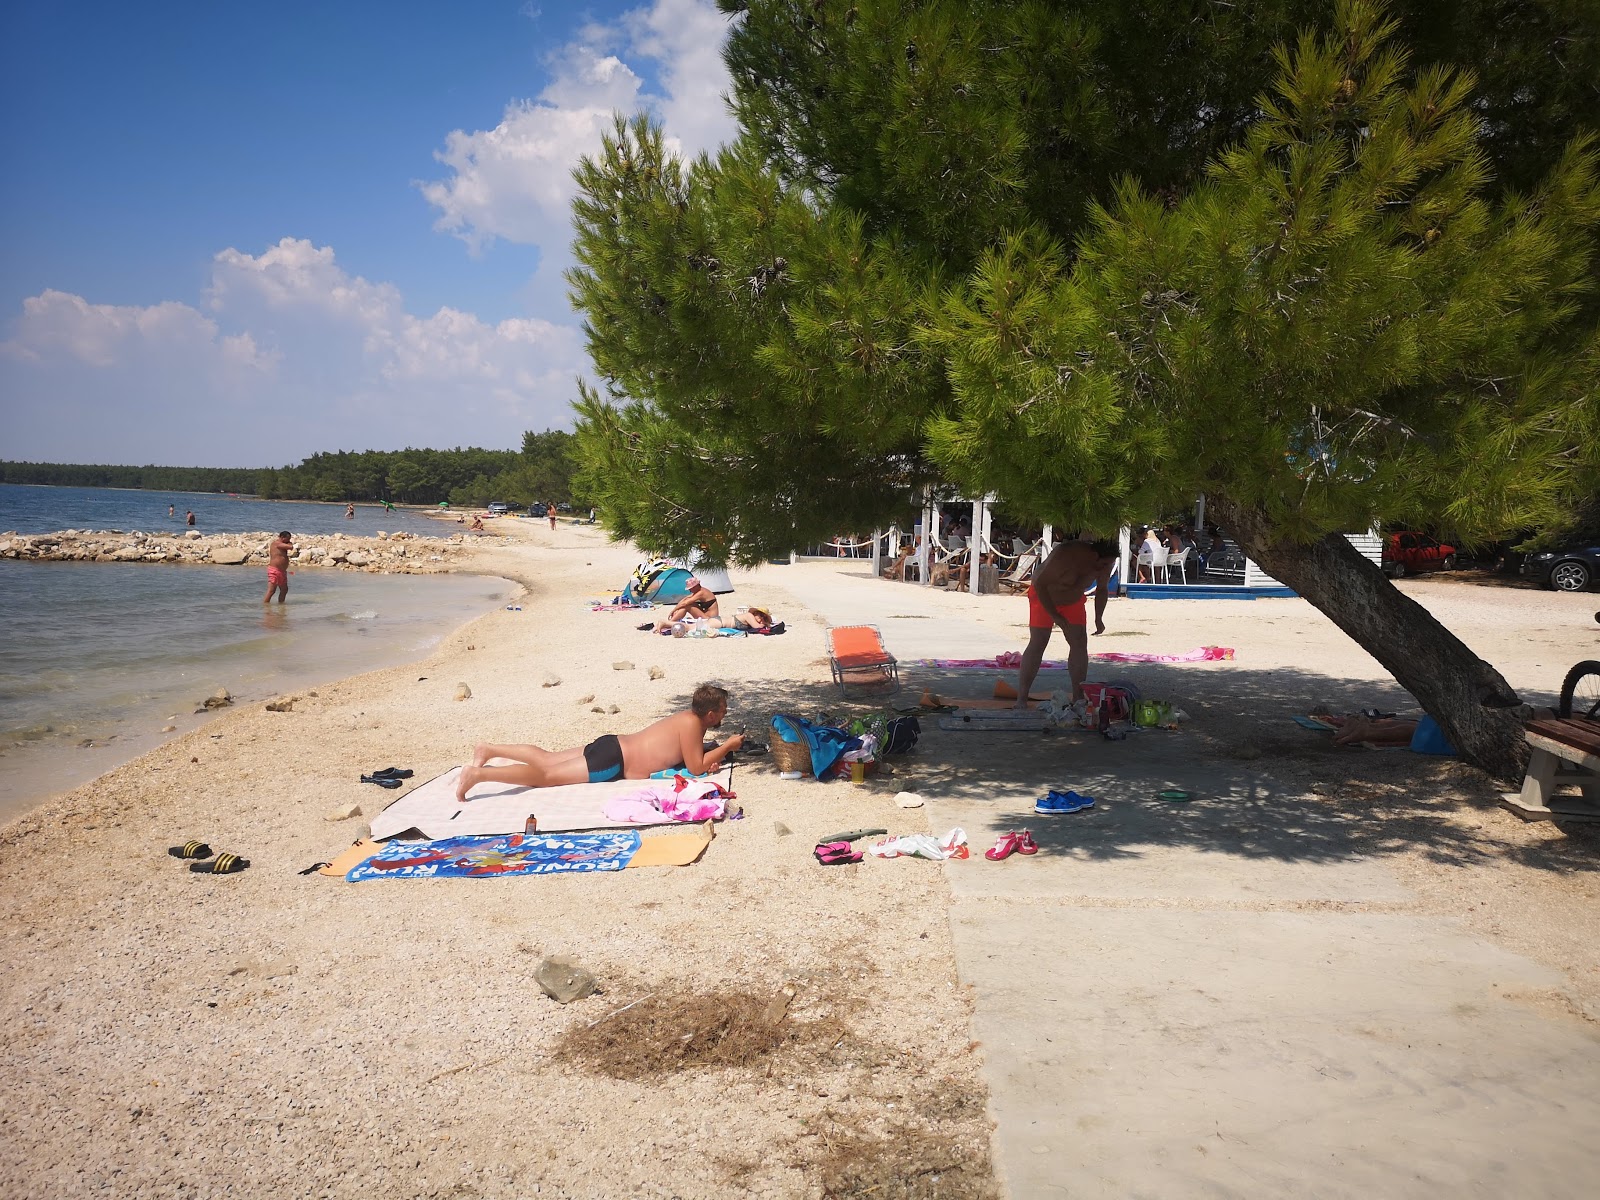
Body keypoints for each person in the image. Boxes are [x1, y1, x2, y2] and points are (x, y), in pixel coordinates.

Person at [455, 683, 744, 800]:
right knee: (546, 776)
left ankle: (488, 749)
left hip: (613, 744)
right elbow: (695, 768)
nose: (724, 714)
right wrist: (729, 745)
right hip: (613, 762)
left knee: (546, 757)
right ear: (709, 714)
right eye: (722, 710)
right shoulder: (695, 727)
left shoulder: (686, 718)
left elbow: (688, 756)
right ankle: (479, 774)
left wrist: (712, 752)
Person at [1015, 538, 1119, 705]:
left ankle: (1078, 697)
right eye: (1104, 564)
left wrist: (1099, 617)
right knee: (1038, 641)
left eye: (1109, 564)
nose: (1105, 569)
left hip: (1073, 600)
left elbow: (1102, 589)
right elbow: (1040, 584)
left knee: (1079, 643)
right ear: (1093, 555)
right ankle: (1021, 698)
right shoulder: (1066, 554)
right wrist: (1054, 615)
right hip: (1044, 596)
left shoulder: (1105, 564)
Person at [653, 576, 720, 630]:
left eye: (690, 588)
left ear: (696, 586)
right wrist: (676, 609)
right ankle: (670, 622)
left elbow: (685, 604)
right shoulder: (698, 591)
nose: (690, 590)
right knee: (691, 604)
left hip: (711, 620)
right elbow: (685, 600)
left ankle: (668, 623)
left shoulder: (701, 593)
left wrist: (673, 610)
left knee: (688, 606)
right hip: (705, 616)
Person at [262, 531, 293, 604]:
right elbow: (290, 547)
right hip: (274, 570)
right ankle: (266, 607)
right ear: (282, 537)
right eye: (288, 539)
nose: (289, 541)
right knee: (272, 590)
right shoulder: (276, 544)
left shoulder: (283, 544)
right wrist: (290, 543)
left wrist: (288, 542)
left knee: (284, 589)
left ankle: (281, 606)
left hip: (282, 571)